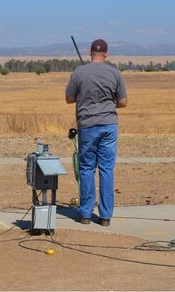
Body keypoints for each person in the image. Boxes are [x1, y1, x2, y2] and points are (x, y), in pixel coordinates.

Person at [65, 39, 127, 226]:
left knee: (86, 168)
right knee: (107, 169)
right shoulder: (114, 73)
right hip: (109, 125)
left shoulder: (79, 72)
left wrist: (85, 97)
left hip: (88, 125)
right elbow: (123, 102)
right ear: (106, 54)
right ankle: (105, 216)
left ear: (90, 52)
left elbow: (69, 99)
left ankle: (85, 213)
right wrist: (107, 104)